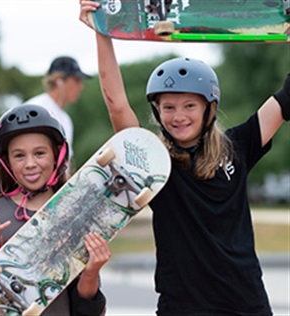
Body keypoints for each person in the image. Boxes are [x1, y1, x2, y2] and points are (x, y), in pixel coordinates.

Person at [80, 2, 289, 315]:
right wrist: (102, 30)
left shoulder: (238, 145)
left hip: (246, 303)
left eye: (189, 105)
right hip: (183, 306)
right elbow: (116, 104)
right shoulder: (152, 162)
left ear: (209, 108)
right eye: (168, 107)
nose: (178, 116)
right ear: (157, 112)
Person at [0, 104, 109, 315]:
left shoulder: (74, 215)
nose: (30, 164)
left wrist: (92, 271)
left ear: (56, 156)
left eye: (40, 153)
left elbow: (86, 310)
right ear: (7, 162)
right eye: (19, 156)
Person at [24, 56, 92, 161]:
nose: (81, 87)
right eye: (76, 80)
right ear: (59, 80)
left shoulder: (65, 119)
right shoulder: (35, 109)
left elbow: (66, 163)